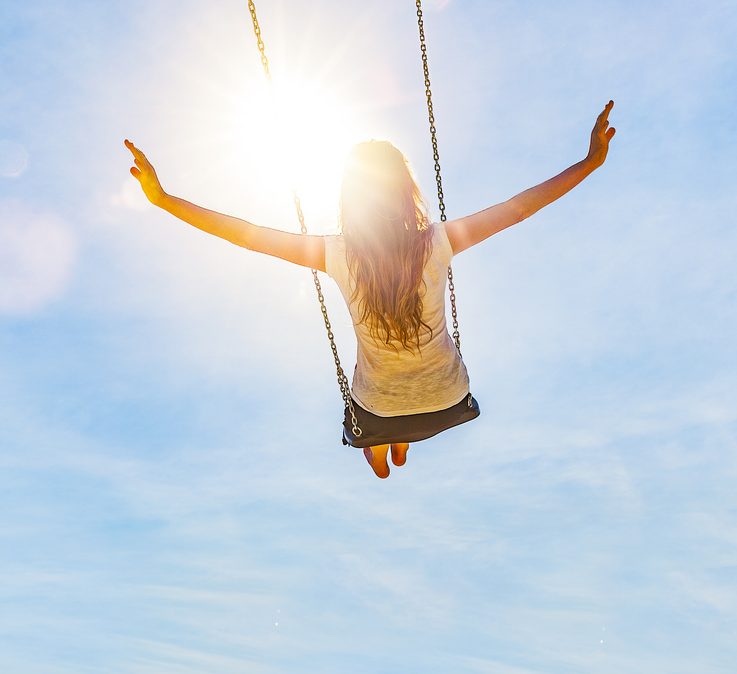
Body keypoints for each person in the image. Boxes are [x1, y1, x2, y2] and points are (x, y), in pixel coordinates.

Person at [124, 100, 616, 478]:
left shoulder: (337, 254)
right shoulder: (438, 242)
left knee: (376, 435)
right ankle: (400, 441)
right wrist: (590, 162)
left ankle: (388, 445)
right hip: (448, 399)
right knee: (400, 402)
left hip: (377, 408)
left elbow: (245, 233)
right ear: (406, 193)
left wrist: (165, 199)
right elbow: (521, 206)